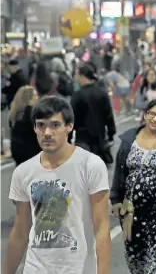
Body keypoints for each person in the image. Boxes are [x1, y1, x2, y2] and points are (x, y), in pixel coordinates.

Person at [3, 96, 111, 274]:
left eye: (54, 125)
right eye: (41, 125)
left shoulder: (90, 165)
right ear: (35, 128)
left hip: (78, 269)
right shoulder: (23, 172)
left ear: (69, 126)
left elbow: (101, 227)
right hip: (35, 268)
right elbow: (20, 231)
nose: (47, 132)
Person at [110, 99, 156, 273]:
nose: (155, 118)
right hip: (132, 213)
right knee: (136, 259)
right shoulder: (129, 140)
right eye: (152, 114)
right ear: (145, 115)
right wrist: (115, 199)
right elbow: (120, 172)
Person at [71, 63, 117, 164]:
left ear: (82, 76)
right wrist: (111, 133)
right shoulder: (101, 94)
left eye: (78, 75)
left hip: (82, 138)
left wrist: (69, 136)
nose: (76, 78)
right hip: (99, 138)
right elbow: (108, 116)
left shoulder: (77, 96)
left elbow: (71, 118)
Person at [9, 86, 41, 166]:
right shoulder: (32, 113)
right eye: (35, 95)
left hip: (17, 151)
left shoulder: (15, 113)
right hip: (31, 151)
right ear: (29, 98)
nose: (38, 97)